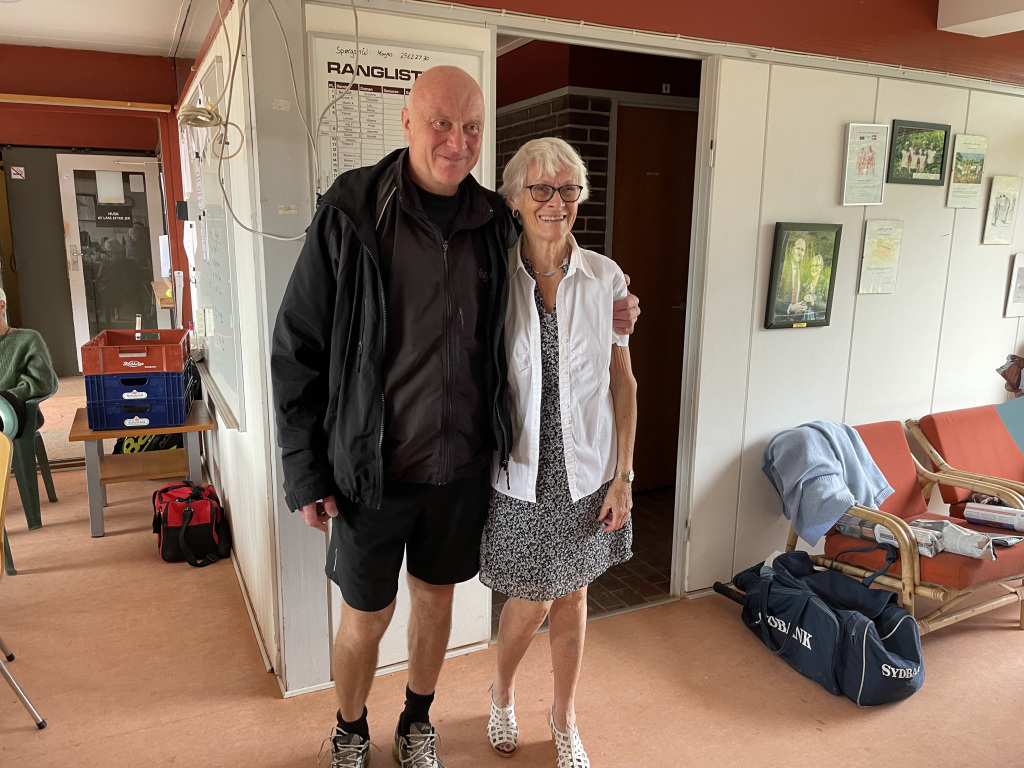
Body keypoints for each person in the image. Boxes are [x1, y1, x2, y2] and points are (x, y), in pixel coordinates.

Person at [270, 66, 639, 768]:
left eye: (471, 127)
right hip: (370, 469)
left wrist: (617, 306)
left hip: (462, 467)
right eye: (441, 123)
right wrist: (304, 468)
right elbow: (296, 348)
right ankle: (351, 728)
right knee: (366, 617)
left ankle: (417, 722)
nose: (456, 141)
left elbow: (556, 280)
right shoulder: (353, 210)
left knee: (436, 605)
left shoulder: (492, 223)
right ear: (408, 122)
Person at [479, 138, 637, 768]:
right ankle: (502, 692)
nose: (555, 202)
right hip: (517, 469)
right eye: (540, 189)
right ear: (515, 200)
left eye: (568, 189)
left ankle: (564, 715)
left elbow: (622, 381)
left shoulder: (606, 278)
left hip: (587, 469)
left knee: (572, 594)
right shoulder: (492, 276)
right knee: (533, 595)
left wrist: (624, 475)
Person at [0, 288, 54, 438]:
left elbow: (43, 383)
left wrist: (7, 396)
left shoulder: (28, 339)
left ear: (2, 306)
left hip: (13, 408)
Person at [774, 236, 809, 319]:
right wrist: (789, 307)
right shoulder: (782, 269)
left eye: (802, 250)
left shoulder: (804, 273)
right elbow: (772, 298)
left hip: (796, 320)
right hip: (781, 318)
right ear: (793, 250)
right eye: (798, 248)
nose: (799, 252)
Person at [801, 253, 828, 321]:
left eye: (816, 266)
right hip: (805, 320)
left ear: (821, 267)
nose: (813, 268)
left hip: (819, 321)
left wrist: (814, 302)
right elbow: (799, 302)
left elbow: (828, 306)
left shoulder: (825, 283)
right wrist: (803, 299)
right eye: (812, 265)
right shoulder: (805, 284)